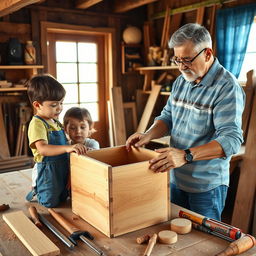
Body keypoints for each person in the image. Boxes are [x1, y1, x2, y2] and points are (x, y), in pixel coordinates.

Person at [126, 23, 245, 221]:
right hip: (175, 178)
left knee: (202, 247)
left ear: (207, 54)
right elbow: (167, 117)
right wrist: (148, 134)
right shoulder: (181, 81)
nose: (181, 67)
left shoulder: (227, 88)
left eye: (187, 60)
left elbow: (231, 140)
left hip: (206, 187)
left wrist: (186, 156)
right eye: (177, 59)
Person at [26, 74, 87, 208]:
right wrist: (66, 148)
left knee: (64, 195)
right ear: (37, 105)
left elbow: (65, 143)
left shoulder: (56, 122)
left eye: (61, 103)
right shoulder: (37, 123)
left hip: (62, 165)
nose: (59, 108)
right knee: (50, 202)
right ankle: (37, 190)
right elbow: (42, 149)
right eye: (54, 105)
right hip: (48, 169)